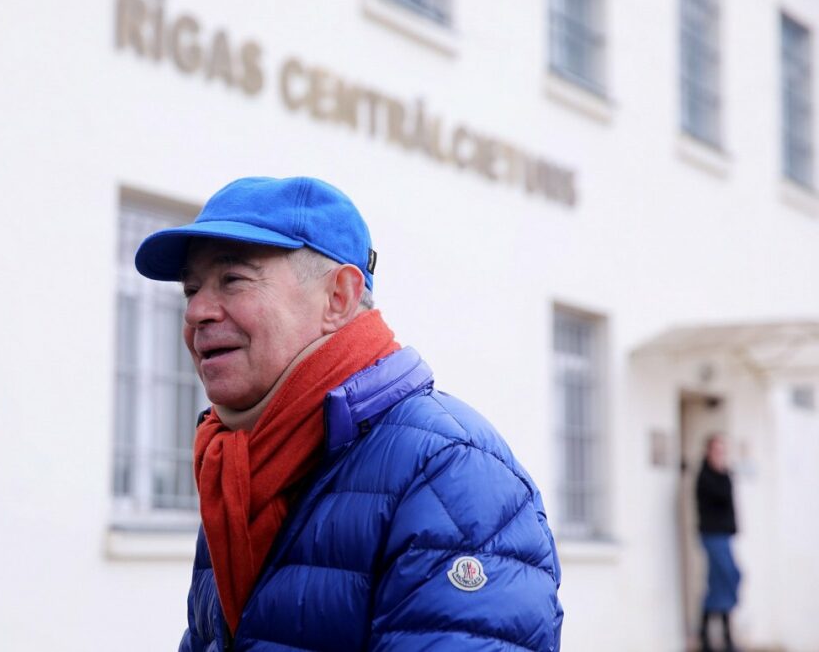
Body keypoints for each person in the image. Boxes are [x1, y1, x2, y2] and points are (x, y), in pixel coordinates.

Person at [134, 176, 564, 651]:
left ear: (338, 297)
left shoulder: (450, 473)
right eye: (191, 289)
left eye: (232, 279)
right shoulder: (235, 471)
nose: (196, 312)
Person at [695, 434, 741, 652]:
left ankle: (715, 636)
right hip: (712, 535)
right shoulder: (706, 477)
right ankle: (711, 636)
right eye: (716, 450)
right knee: (729, 576)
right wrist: (724, 474)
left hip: (724, 535)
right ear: (708, 452)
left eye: (722, 451)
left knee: (719, 583)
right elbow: (721, 497)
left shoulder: (723, 475)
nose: (720, 455)